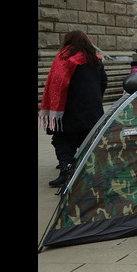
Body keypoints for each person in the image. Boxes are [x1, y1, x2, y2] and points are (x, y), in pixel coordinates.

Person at [39, 30, 108, 188]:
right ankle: (89, 172)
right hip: (91, 110)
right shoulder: (95, 59)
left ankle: (66, 170)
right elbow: (104, 81)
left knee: (63, 139)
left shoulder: (64, 58)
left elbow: (57, 83)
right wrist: (95, 98)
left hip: (69, 109)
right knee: (88, 140)